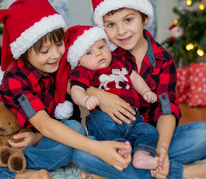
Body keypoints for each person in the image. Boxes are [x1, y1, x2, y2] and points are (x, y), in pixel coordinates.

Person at [0, 0, 131, 179]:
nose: (55, 55)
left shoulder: (64, 64)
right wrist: (98, 148)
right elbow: (43, 122)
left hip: (42, 144)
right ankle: (14, 174)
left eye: (59, 45)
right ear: (25, 51)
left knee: (75, 130)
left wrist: (36, 137)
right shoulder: (14, 78)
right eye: (44, 51)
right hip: (9, 140)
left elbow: (77, 89)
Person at [72, 0, 206, 179]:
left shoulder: (163, 59)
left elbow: (167, 109)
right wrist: (100, 96)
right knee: (81, 153)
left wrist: (162, 149)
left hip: (150, 138)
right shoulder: (103, 56)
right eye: (110, 25)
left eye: (128, 20)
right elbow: (71, 80)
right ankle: (180, 173)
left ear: (144, 18)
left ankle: (118, 171)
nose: (121, 31)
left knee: (205, 135)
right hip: (115, 139)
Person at [58, 25, 159, 170]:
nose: (98, 54)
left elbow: (135, 77)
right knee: (102, 124)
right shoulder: (83, 72)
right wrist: (85, 99)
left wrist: (146, 91)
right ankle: (117, 149)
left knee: (150, 131)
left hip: (132, 117)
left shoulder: (119, 62)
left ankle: (141, 155)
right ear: (78, 61)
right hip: (104, 116)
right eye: (89, 52)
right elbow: (76, 90)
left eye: (101, 47)